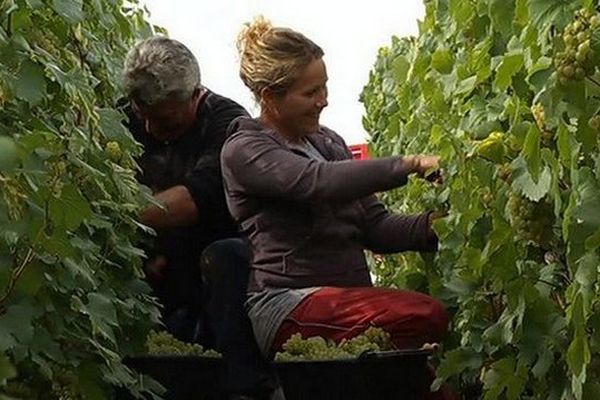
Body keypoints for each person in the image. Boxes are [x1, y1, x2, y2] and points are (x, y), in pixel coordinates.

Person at [221, 17, 453, 400]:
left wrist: (439, 226)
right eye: (310, 92)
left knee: (434, 391)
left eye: (324, 87)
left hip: (349, 304)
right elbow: (317, 182)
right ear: (269, 97)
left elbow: (376, 227)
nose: (323, 100)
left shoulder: (328, 142)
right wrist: (406, 165)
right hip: (289, 305)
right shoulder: (246, 150)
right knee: (424, 316)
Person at [121, 36, 280, 399]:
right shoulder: (125, 117)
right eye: (142, 115)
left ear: (195, 94)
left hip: (222, 273)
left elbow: (197, 199)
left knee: (225, 256)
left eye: (163, 120)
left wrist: (118, 217)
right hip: (159, 270)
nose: (149, 129)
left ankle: (244, 387)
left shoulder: (229, 123)